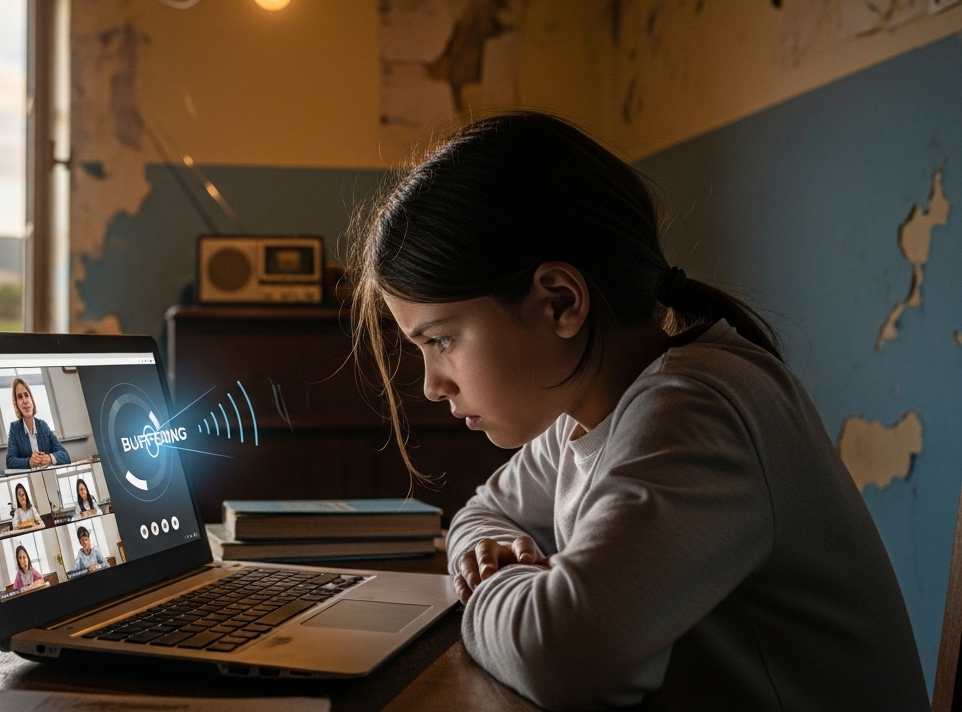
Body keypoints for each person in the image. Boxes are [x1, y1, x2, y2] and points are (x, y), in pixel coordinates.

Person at [347, 112, 928, 710]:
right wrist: (499, 560)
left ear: (560, 302)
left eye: (440, 340)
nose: (432, 386)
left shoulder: (694, 411)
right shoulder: (584, 414)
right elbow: (483, 511)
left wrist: (489, 586)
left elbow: (564, 658)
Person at [4, 378, 70, 469]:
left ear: (31, 399)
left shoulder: (43, 426)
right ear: (16, 404)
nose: (25, 401)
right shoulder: (14, 428)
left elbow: (65, 455)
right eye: (19, 397)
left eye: (26, 395)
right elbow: (10, 461)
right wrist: (29, 462)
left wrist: (49, 458)